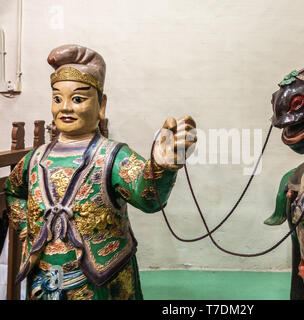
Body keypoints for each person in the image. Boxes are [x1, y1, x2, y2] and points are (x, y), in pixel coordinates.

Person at [5, 44, 197, 300]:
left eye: (78, 99)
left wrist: (161, 167)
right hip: (44, 277)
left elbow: (149, 199)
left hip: (105, 278)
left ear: (101, 105)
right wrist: (29, 230)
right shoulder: (35, 159)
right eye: (57, 98)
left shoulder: (113, 157)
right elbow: (14, 191)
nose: (65, 107)